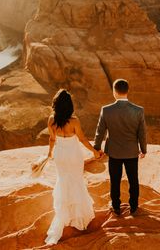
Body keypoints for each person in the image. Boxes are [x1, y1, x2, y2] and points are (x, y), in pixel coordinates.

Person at [45, 89, 101, 245]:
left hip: (60, 156)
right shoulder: (74, 121)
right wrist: (95, 152)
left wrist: (49, 153)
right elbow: (82, 139)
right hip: (73, 155)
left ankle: (66, 213)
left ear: (56, 105)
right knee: (76, 181)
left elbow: (51, 139)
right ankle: (79, 216)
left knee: (63, 181)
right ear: (69, 106)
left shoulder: (51, 120)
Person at [94, 79, 147, 216]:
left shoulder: (106, 110)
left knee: (115, 181)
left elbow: (100, 132)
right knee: (133, 180)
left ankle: (116, 207)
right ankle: (134, 207)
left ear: (114, 91)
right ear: (127, 91)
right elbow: (142, 132)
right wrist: (143, 149)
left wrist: (97, 148)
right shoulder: (138, 110)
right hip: (131, 152)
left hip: (114, 152)